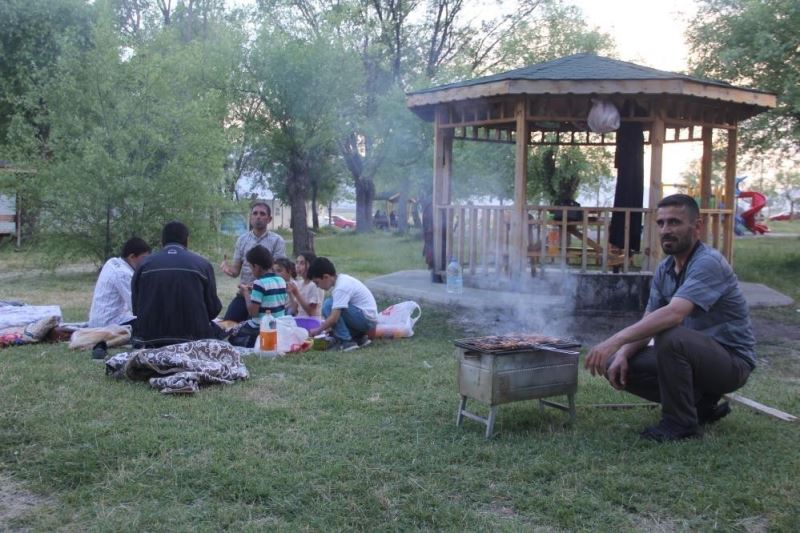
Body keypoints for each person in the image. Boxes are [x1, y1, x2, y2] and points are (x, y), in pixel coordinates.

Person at [585, 194, 756, 442]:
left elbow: (674, 314)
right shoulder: (665, 269)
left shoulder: (708, 262)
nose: (666, 230)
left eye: (674, 222)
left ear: (696, 227)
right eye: (661, 223)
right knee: (618, 364)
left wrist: (615, 339)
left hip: (731, 363)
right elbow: (649, 320)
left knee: (671, 336)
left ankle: (680, 424)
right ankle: (700, 406)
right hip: (695, 358)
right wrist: (621, 353)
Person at [131, 221, 225, 347]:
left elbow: (137, 308)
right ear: (186, 240)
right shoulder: (202, 264)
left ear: (162, 241)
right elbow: (213, 309)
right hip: (194, 338)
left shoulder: (144, 264)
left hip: (150, 338)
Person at [219, 201, 286, 322]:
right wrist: (227, 269)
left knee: (262, 332)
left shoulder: (277, 241)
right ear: (250, 218)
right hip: (244, 295)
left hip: (267, 296)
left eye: (262, 214)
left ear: (269, 219)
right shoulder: (242, 240)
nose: (258, 216)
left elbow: (279, 271)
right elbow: (235, 272)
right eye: (255, 213)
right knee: (227, 325)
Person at [307, 257, 378, 351]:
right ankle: (359, 338)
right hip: (366, 320)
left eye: (317, 283)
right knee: (333, 305)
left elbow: (334, 319)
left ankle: (346, 342)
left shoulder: (341, 288)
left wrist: (318, 330)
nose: (317, 286)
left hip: (366, 320)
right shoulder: (342, 279)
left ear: (326, 277)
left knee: (328, 305)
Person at [88, 237, 151, 328]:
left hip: (98, 320)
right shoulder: (123, 274)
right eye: (144, 258)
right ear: (132, 257)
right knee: (150, 322)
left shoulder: (112, 262)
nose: (145, 262)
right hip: (108, 324)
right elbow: (137, 306)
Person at [286, 251, 324, 320]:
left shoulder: (314, 285)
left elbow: (311, 313)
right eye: (296, 262)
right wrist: (290, 293)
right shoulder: (300, 283)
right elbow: (294, 310)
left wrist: (296, 293)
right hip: (300, 321)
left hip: (312, 324)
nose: (297, 266)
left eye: (302, 263)